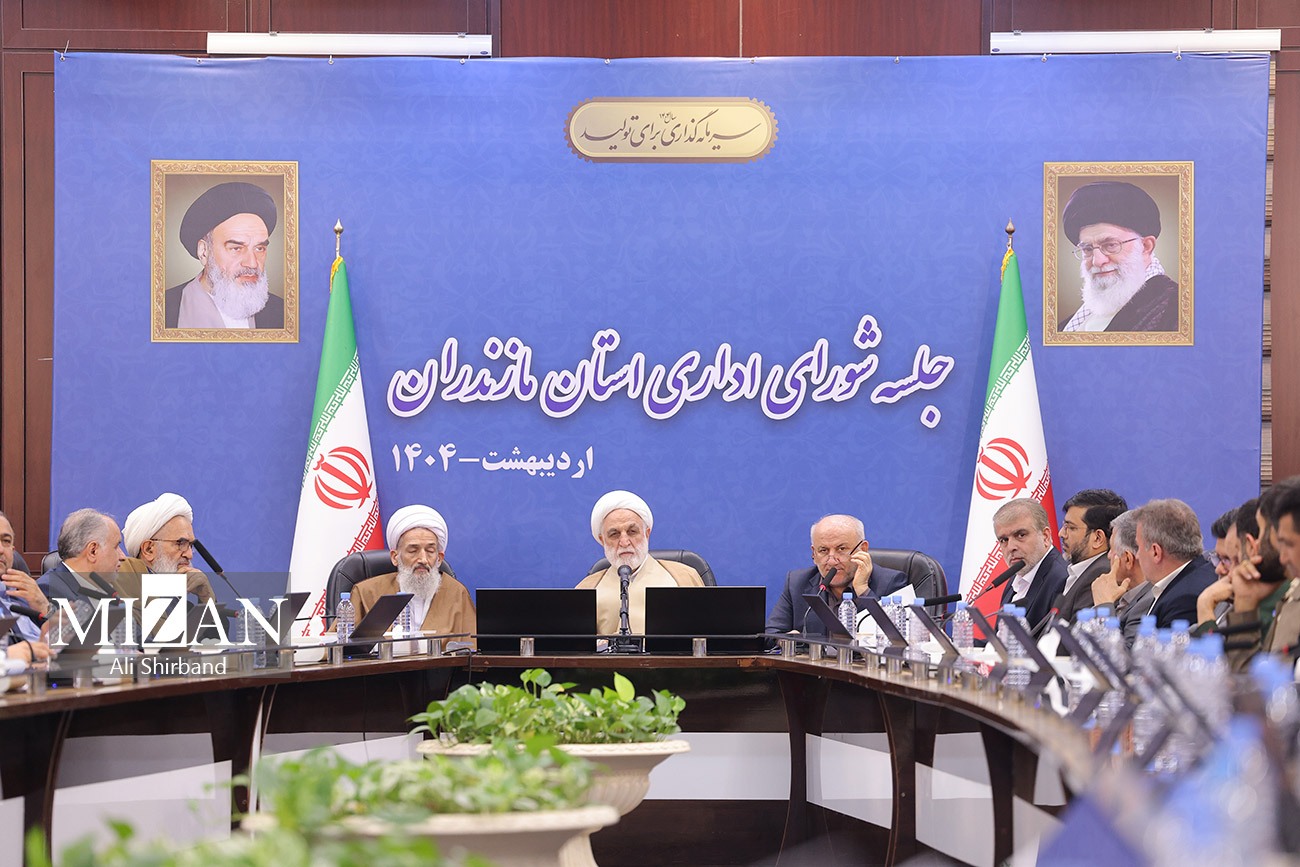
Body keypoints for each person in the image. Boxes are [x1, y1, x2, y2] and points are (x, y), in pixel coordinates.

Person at [576, 490, 704, 635]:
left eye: (632, 532)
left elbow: (705, 639)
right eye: (614, 534)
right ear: (602, 540)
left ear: (646, 534)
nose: (624, 542)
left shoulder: (684, 577)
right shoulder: (587, 588)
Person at [1059, 181, 1178, 333]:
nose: (1097, 261)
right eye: (1087, 249)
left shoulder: (1177, 311)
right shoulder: (1070, 324)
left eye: (1110, 245)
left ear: (1146, 246)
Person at [349, 505, 476, 645]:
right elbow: (337, 646)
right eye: (413, 551)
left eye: (430, 551)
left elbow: (474, 648)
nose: (423, 559)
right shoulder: (366, 593)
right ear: (395, 557)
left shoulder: (457, 593)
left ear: (439, 558)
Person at [766, 514, 908, 638]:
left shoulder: (891, 582)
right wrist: (786, 640)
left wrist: (863, 590)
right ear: (814, 554)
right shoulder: (797, 583)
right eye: (823, 550)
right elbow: (771, 634)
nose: (832, 561)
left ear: (863, 549)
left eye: (841, 549)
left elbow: (899, 639)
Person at [164, 181, 283, 329]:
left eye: (259, 248)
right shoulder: (163, 310)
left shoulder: (283, 312)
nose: (252, 263)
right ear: (204, 252)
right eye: (236, 248)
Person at [1130, 498, 1217, 629]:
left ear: (1155, 552)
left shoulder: (1183, 601)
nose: (1137, 556)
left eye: (1138, 547)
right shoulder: (1202, 571)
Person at [116, 493, 215, 604]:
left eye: (190, 545)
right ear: (149, 549)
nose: (189, 555)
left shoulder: (182, 604)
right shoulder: (124, 591)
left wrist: (206, 597)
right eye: (181, 543)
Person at [992, 499, 1068, 636]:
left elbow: (1048, 645)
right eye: (1004, 540)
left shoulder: (1061, 579)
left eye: (1021, 535)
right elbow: (1000, 641)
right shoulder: (1016, 578)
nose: (1011, 547)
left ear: (1045, 537)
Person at [1053, 489, 1127, 622]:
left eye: (1071, 528)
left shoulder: (1101, 574)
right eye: (1064, 526)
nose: (1061, 534)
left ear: (1098, 538)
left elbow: (1076, 632)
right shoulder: (1083, 568)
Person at [1089, 509, 1153, 645]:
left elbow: (1120, 654)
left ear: (1128, 559)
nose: (1108, 556)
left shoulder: (1148, 602)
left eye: (1111, 549)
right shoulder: (1119, 593)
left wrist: (1103, 607)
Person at [39, 509, 125, 606]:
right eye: (116, 547)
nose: (123, 556)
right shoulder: (47, 592)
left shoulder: (107, 591)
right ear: (93, 551)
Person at [0, 511, 52, 662]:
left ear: (13, 551)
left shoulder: (25, 597)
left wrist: (44, 606)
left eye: (6, 541)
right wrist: (7, 655)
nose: (1, 549)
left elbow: (74, 647)